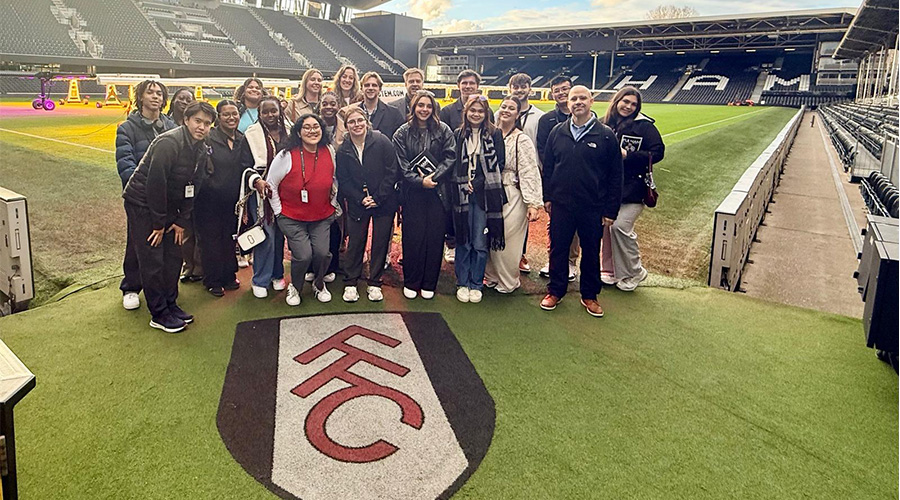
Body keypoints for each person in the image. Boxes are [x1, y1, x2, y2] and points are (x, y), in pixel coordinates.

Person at [122, 101, 216, 333]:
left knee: (173, 256)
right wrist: (158, 223)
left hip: (170, 206)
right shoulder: (169, 143)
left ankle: (171, 304)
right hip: (142, 204)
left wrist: (181, 221)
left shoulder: (201, 148)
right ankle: (159, 313)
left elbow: (194, 186)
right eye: (198, 121)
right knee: (153, 259)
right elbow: (156, 183)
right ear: (186, 120)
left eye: (207, 123)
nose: (202, 127)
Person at [540, 86, 623, 318]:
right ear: (568, 103)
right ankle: (555, 291)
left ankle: (589, 295)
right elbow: (548, 168)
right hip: (561, 204)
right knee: (558, 249)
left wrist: (610, 210)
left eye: (582, 98)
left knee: (591, 251)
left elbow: (616, 175)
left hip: (592, 206)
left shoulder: (605, 135)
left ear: (591, 101)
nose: (578, 102)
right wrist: (548, 197)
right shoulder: (558, 132)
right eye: (573, 98)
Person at [267, 114, 341, 306]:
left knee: (323, 253)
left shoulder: (328, 150)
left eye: (316, 126)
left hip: (322, 215)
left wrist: (333, 203)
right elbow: (271, 184)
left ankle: (319, 284)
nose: (312, 131)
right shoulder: (285, 155)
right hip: (291, 216)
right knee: (303, 255)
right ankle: (296, 286)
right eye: (306, 127)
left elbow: (333, 178)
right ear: (298, 133)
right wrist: (278, 211)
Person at [115, 79, 176, 311]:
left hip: (168, 196)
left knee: (166, 244)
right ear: (140, 97)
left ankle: (163, 289)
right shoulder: (127, 128)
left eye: (159, 93)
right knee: (138, 242)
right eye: (150, 92)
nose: (155, 96)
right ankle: (131, 287)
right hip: (140, 198)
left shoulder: (171, 126)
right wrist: (147, 190)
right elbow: (126, 165)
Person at [393, 90, 456, 299]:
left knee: (435, 238)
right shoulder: (402, 132)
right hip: (412, 193)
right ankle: (412, 281)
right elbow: (401, 164)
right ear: (413, 107)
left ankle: (429, 283)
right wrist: (420, 181)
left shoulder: (443, 130)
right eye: (421, 105)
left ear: (434, 108)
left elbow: (450, 157)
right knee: (413, 237)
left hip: (438, 192)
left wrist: (433, 178)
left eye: (429, 106)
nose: (425, 109)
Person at [599, 86, 664, 292]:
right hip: (608, 187)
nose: (628, 106)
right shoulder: (603, 123)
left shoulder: (644, 126)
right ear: (617, 100)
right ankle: (610, 270)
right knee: (607, 227)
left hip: (634, 188)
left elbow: (658, 152)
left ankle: (635, 271)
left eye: (633, 104)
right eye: (625, 101)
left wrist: (629, 156)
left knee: (620, 227)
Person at [335, 107, 399, 302]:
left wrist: (378, 197)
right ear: (346, 126)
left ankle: (375, 283)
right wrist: (359, 198)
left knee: (380, 243)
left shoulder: (382, 141)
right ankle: (351, 282)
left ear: (366, 122)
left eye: (360, 120)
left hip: (384, 202)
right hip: (358, 204)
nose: (357, 125)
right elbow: (343, 180)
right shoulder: (343, 150)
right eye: (352, 122)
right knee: (355, 243)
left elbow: (392, 171)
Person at [451, 95, 506, 303]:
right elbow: (453, 162)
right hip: (462, 194)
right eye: (472, 110)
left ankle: (476, 283)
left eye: (480, 111)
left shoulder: (495, 134)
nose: (476, 114)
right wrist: (464, 182)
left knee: (479, 242)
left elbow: (500, 162)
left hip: (485, 195)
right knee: (463, 240)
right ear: (466, 112)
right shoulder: (458, 134)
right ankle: (462, 282)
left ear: (486, 113)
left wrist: (478, 182)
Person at [485, 96, 543, 293]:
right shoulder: (490, 134)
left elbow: (529, 171)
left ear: (518, 114)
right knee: (490, 237)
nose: (506, 110)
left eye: (511, 108)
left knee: (507, 240)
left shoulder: (521, 139)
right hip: (490, 191)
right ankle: (492, 277)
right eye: (504, 106)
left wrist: (532, 203)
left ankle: (508, 281)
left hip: (512, 193)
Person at [241, 96, 291, 298]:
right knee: (266, 235)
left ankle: (277, 274)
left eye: (274, 111)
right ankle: (260, 279)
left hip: (287, 192)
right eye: (265, 112)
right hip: (262, 193)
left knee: (280, 234)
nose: (270, 115)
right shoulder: (251, 134)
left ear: (280, 111)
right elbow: (244, 165)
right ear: (259, 114)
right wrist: (257, 181)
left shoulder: (290, 131)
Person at [439, 69, 492, 264]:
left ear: (477, 86)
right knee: (453, 212)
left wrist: (478, 179)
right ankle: (451, 243)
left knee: (478, 220)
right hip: (456, 172)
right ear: (458, 86)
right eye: (465, 83)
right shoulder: (447, 111)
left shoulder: (487, 110)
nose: (468, 86)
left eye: (472, 83)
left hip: (479, 178)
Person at [195, 99, 244, 297]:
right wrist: (211, 186)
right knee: (211, 240)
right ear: (219, 117)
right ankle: (212, 280)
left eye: (234, 113)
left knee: (229, 238)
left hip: (232, 200)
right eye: (226, 114)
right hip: (208, 200)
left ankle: (229, 275)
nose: (231, 117)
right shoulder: (209, 138)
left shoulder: (241, 139)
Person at [500, 73, 544, 274]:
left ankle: (518, 258)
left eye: (523, 86)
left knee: (515, 227)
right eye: (515, 86)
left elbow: (538, 150)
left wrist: (533, 199)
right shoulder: (496, 120)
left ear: (530, 89)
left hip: (523, 176)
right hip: (498, 182)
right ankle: (496, 271)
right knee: (499, 230)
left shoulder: (539, 116)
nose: (519, 90)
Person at [536, 76, 578, 282]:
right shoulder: (547, 120)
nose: (561, 93)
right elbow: (543, 150)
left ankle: (571, 261)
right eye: (557, 90)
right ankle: (554, 259)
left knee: (575, 222)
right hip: (555, 179)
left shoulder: (587, 116)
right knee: (555, 221)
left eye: (565, 89)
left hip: (579, 180)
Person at [166, 88, 204, 283]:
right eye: (181, 98)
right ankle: (186, 267)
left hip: (192, 187)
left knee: (195, 229)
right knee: (181, 231)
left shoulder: (200, 129)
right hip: (171, 191)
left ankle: (197, 267)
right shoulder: (167, 127)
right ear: (173, 100)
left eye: (189, 99)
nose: (184, 101)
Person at [336, 71, 405, 141]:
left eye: (374, 85)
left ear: (380, 89)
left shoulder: (394, 114)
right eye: (367, 85)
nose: (370, 88)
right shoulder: (352, 114)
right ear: (361, 89)